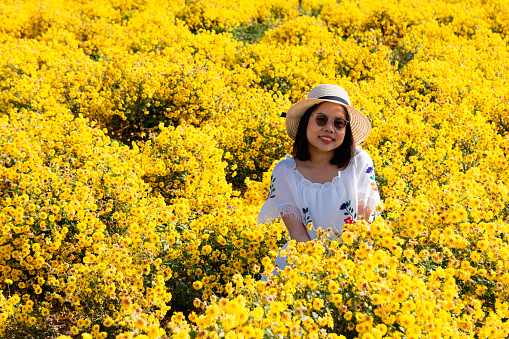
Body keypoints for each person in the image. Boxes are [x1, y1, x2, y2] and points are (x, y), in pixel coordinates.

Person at [257, 84, 381, 274]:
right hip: (303, 263)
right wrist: (320, 270)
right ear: (305, 122)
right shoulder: (285, 172)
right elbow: (298, 234)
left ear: (346, 131)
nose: (329, 129)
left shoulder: (359, 162)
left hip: (355, 261)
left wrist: (344, 266)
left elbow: (363, 225)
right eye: (321, 120)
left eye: (339, 123)